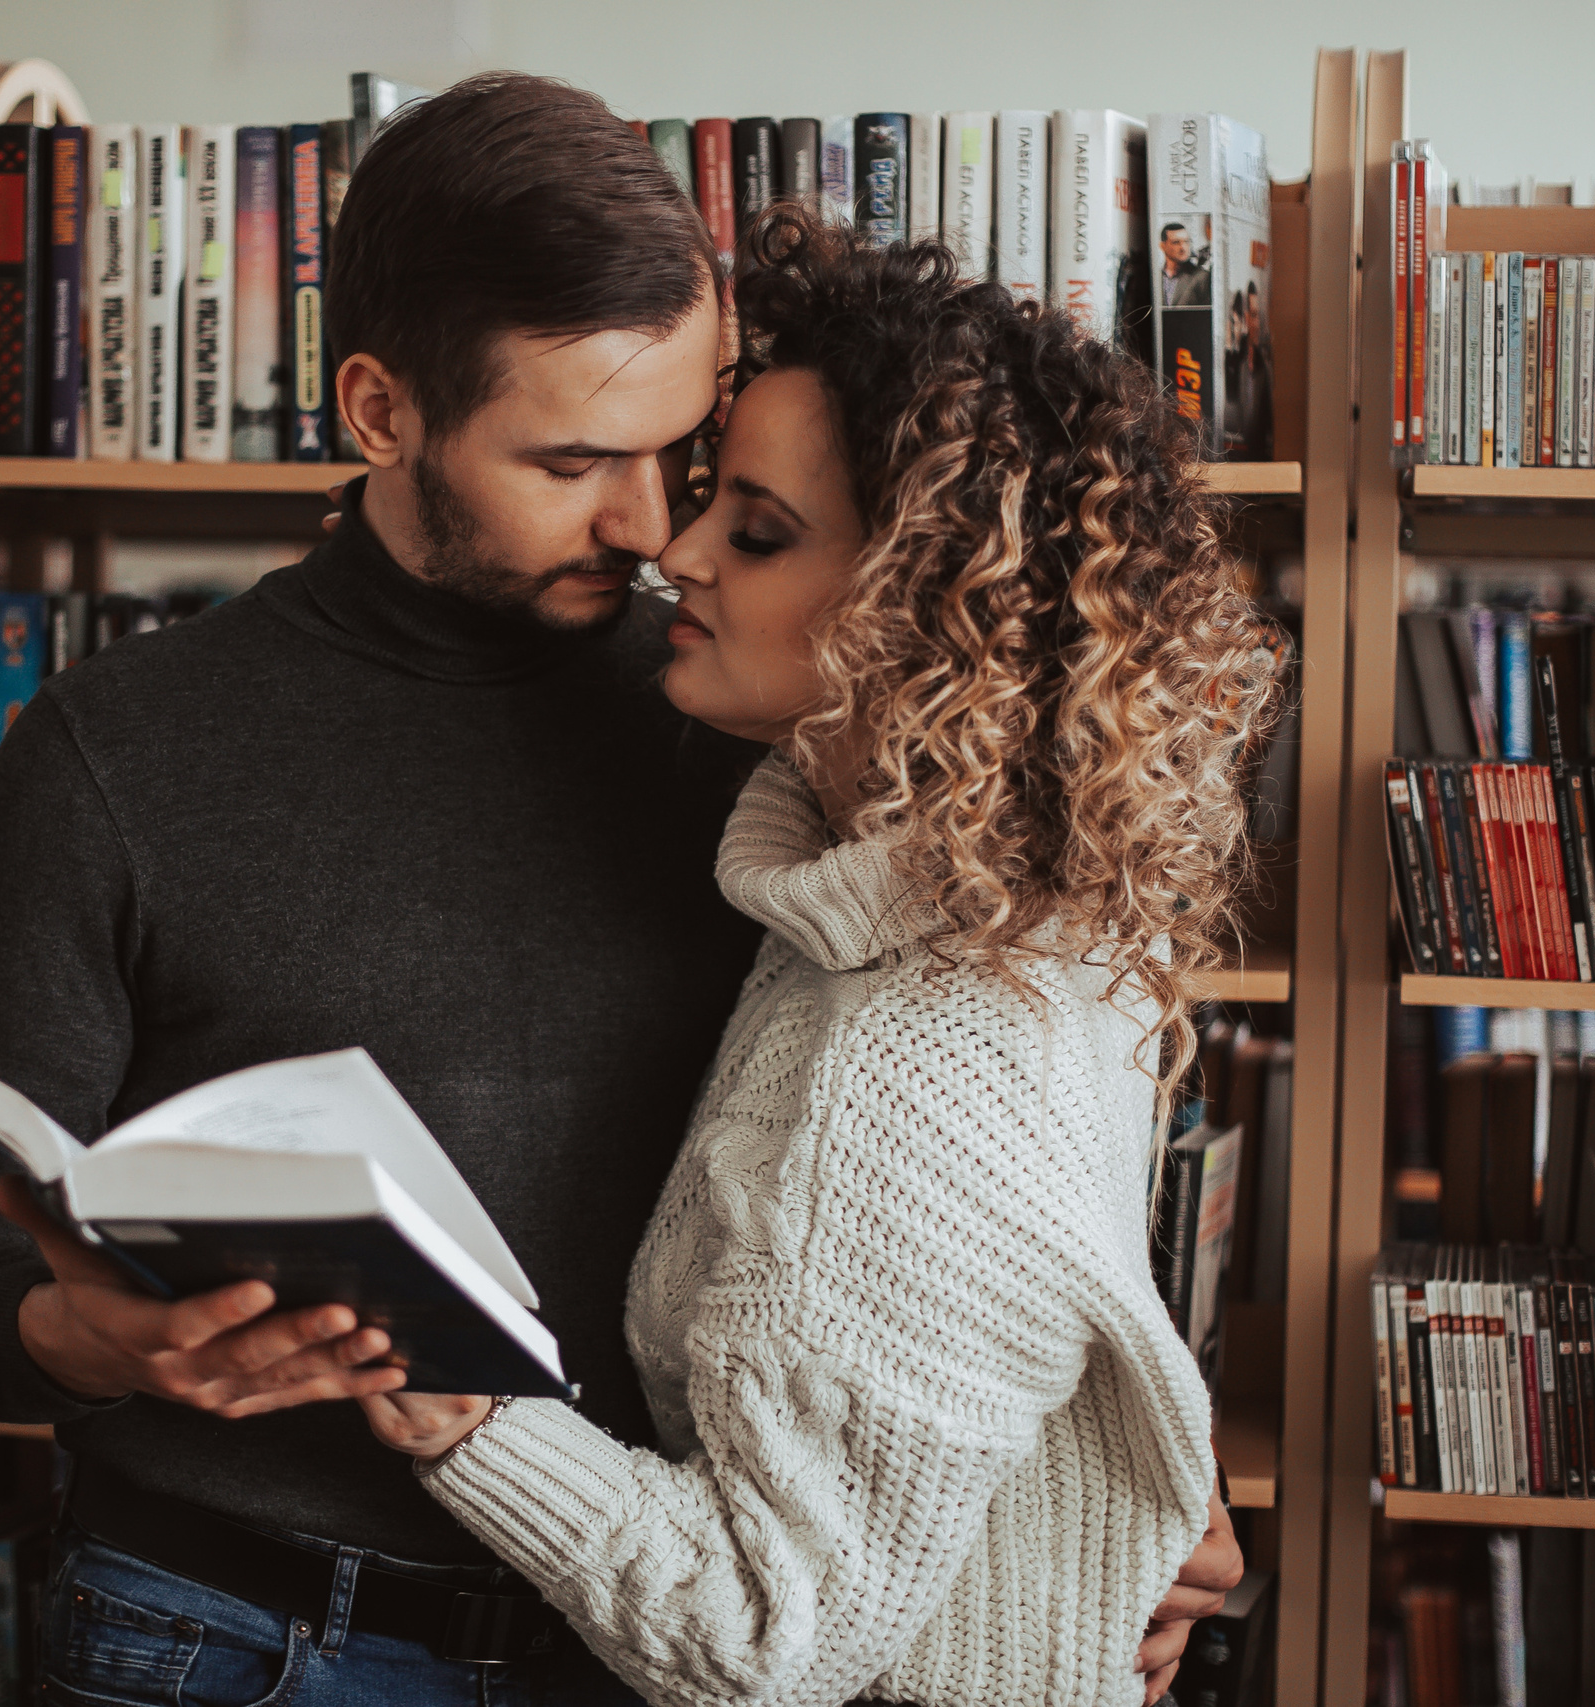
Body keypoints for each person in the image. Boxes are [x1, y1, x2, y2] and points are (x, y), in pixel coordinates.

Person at [0, 72, 1239, 1707]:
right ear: (381, 412)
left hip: (653, 1645)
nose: (653, 527)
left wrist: (1112, 1469)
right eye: (578, 459)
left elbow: (989, 1165)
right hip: (236, 1628)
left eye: (687, 452)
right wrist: (84, 1339)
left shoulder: (782, 724)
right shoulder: (117, 751)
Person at [357, 208, 1266, 1707]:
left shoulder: (923, 1053)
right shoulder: (988, 901)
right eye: (704, 496)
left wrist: (464, 1413)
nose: (674, 551)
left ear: (937, 608)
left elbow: (766, 1637)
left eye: (759, 530)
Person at [1158, 219, 1211, 307]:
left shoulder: (1202, 277)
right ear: (1163, 246)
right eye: (1176, 242)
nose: (1183, 247)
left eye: (1186, 241)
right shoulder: (1155, 277)